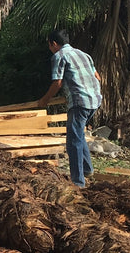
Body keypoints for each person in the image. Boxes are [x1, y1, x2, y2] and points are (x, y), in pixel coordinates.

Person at [37, 28, 102, 188]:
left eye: (50, 45)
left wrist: (44, 100)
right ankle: (87, 169)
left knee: (73, 140)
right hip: (95, 99)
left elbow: (57, 82)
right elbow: (97, 77)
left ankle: (78, 182)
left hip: (79, 101)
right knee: (78, 134)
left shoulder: (59, 56)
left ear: (53, 43)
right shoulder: (83, 54)